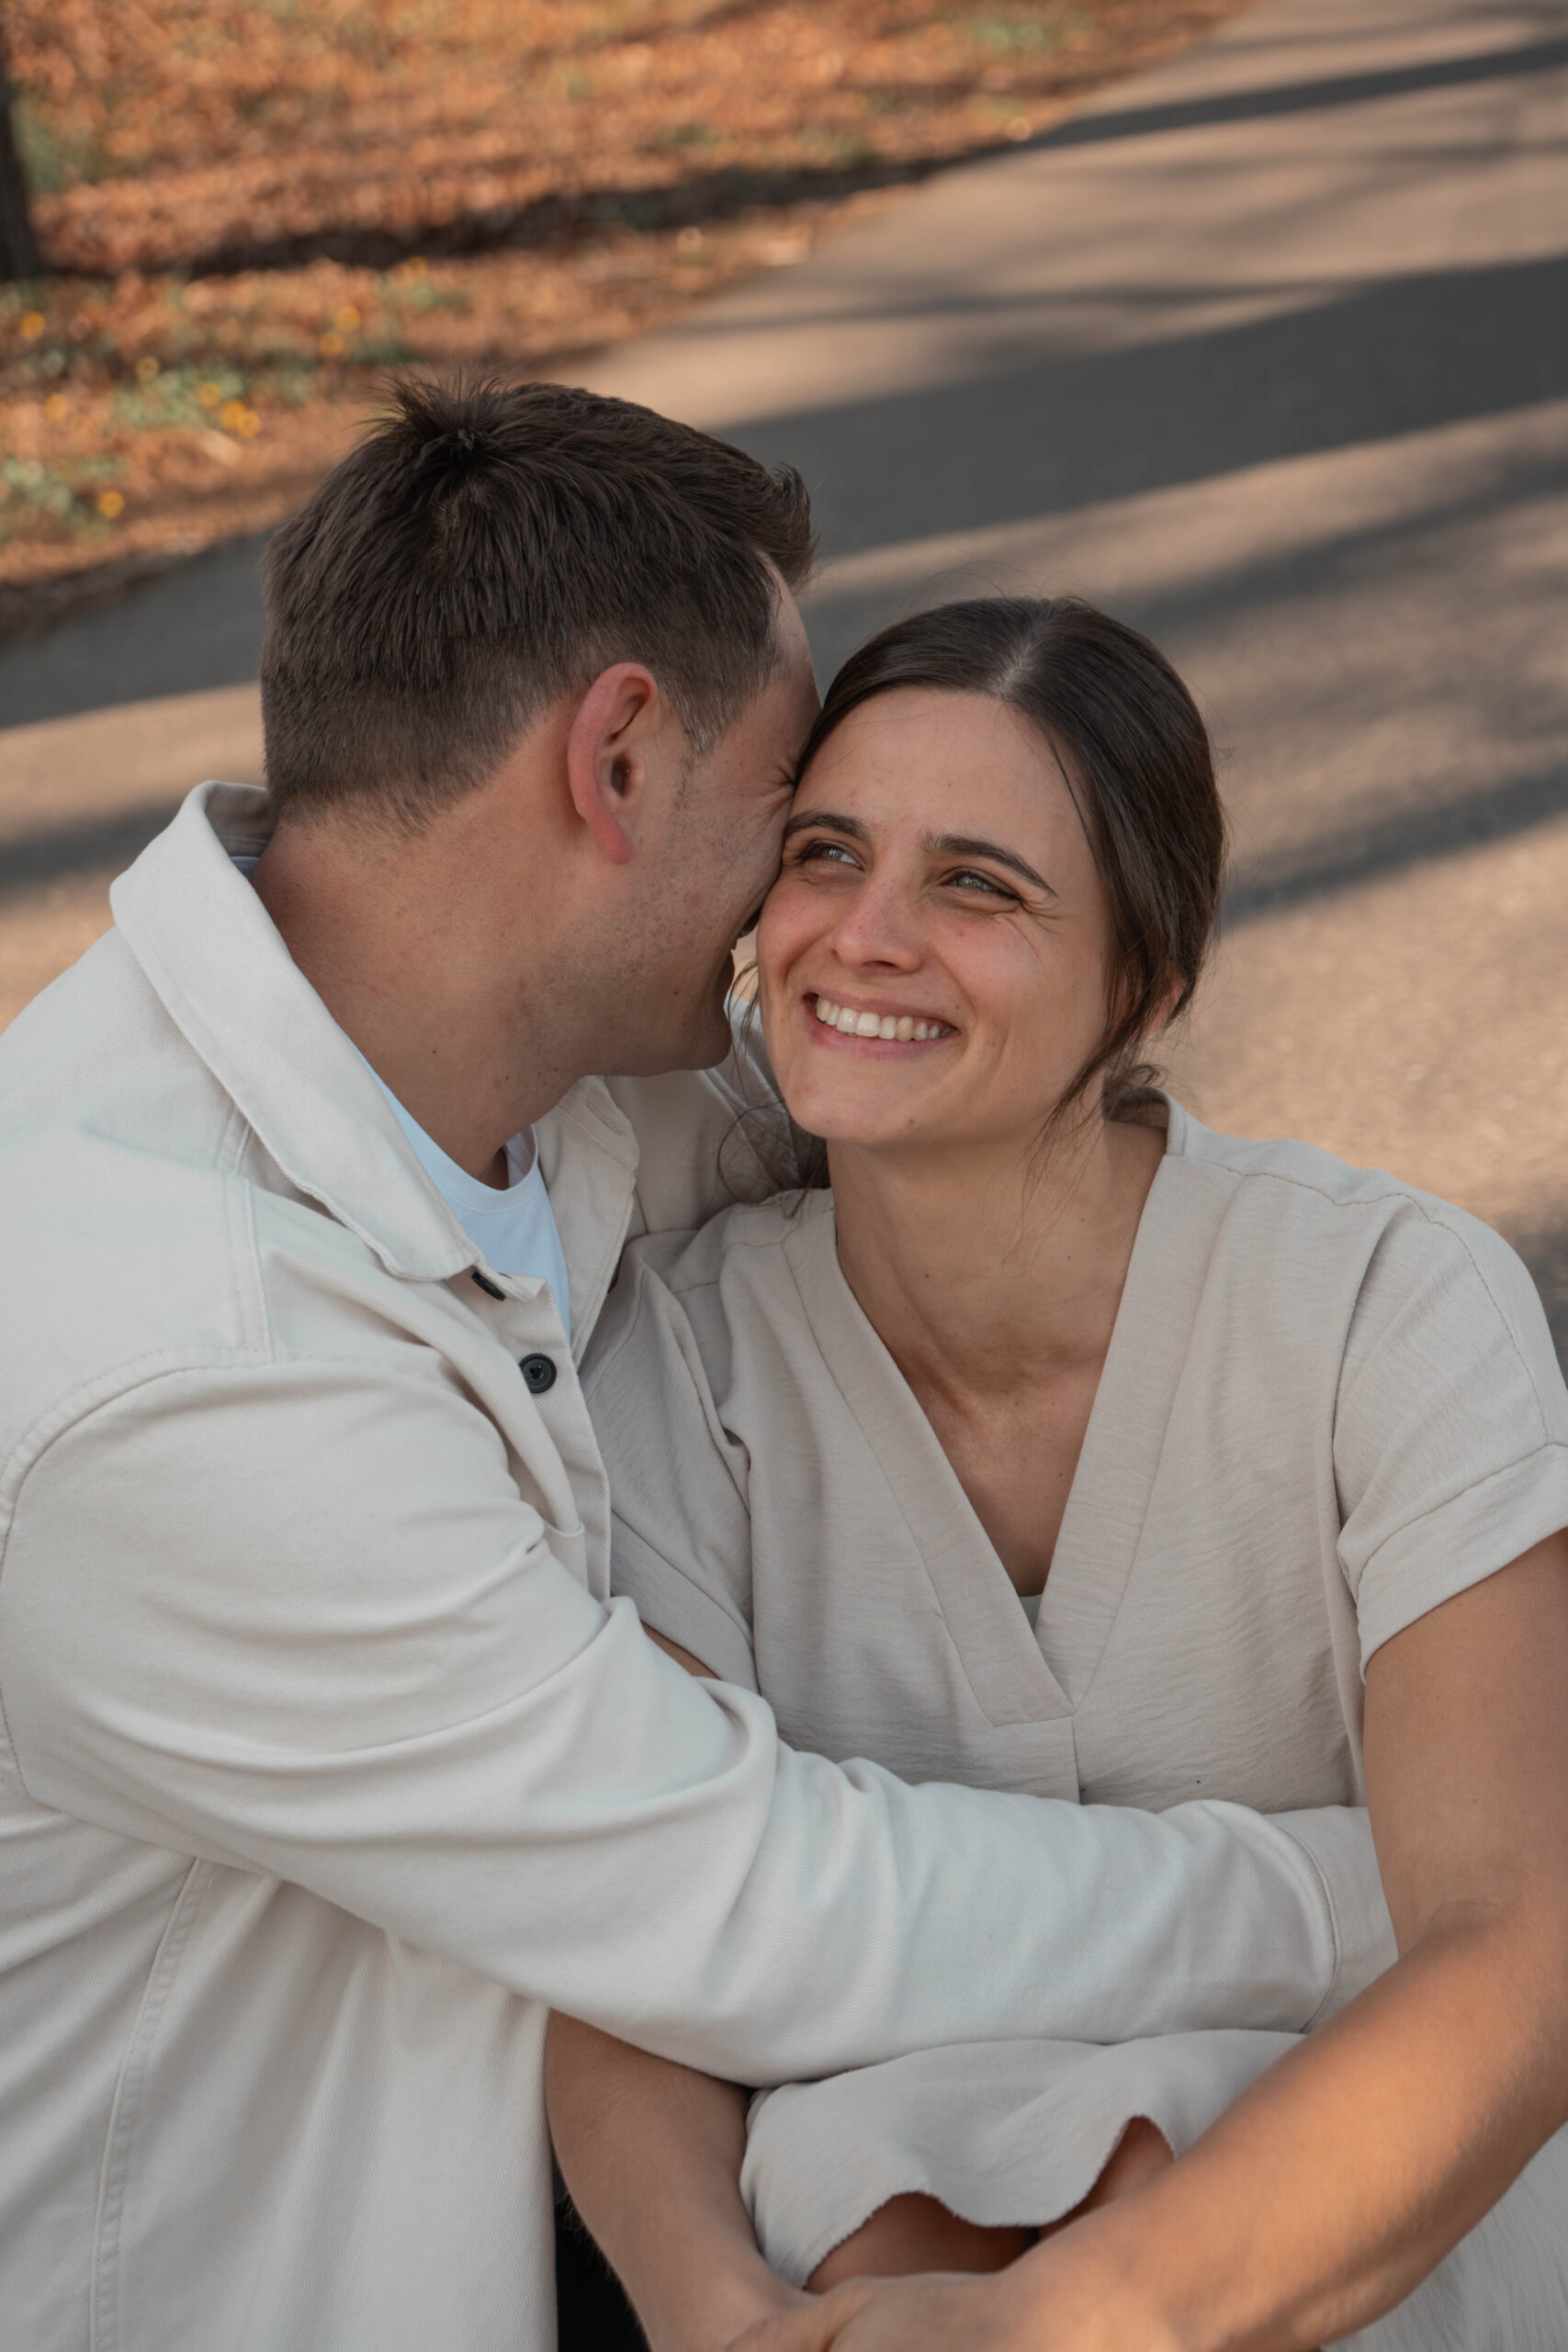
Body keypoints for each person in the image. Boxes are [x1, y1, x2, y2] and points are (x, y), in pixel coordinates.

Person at [0, 388, 1393, 2352]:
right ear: (621, 759)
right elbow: (753, 1904)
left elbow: (913, 1117)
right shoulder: (179, 1365)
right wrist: (1401, 1892)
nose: (794, 919)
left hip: (579, 2171)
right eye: (792, 814)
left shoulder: (520, 1069)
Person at [551, 596, 1568, 2351]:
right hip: (876, 2263)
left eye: (978, 886)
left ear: (1148, 982)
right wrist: (708, 2310)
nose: (866, 935)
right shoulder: (682, 1365)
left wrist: (1084, 2321)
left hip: (1360, 2235)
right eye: (826, 853)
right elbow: (635, 1952)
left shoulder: (1385, 1306)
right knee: (857, 2156)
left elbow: (1518, 1953)